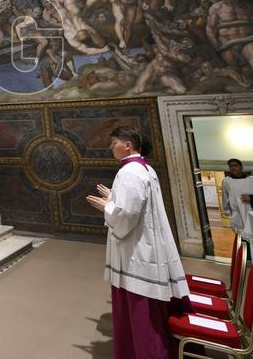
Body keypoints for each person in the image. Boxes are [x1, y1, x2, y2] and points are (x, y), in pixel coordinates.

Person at [86, 125, 190, 359]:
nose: (111, 147)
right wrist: (114, 197)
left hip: (137, 251)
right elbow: (136, 204)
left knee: (140, 310)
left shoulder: (130, 172)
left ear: (127, 145)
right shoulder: (144, 168)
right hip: (145, 243)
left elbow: (127, 215)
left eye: (114, 142)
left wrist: (107, 206)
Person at [220, 158, 253, 232]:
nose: (233, 168)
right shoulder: (227, 181)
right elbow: (225, 199)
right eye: (230, 166)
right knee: (242, 237)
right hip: (237, 216)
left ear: (241, 167)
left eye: (235, 165)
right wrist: (230, 215)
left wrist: (251, 198)